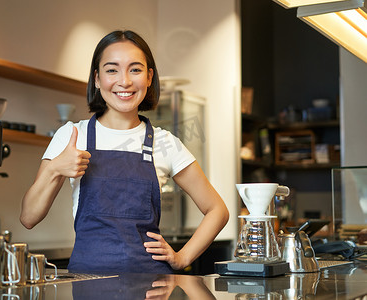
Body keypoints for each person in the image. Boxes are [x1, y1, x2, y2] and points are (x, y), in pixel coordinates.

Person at [20, 30, 229, 274]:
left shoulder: (166, 142)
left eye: (135, 69)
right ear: (97, 79)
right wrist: (55, 169)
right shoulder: (71, 136)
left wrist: (182, 258)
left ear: (149, 77)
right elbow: (29, 217)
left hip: (152, 286)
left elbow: (218, 210)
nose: (125, 81)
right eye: (112, 70)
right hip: (87, 283)